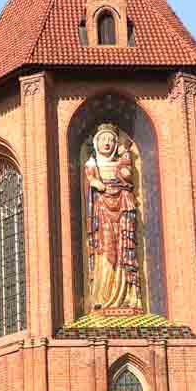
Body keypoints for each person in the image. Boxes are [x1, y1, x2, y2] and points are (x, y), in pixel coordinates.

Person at [84, 123, 142, 311]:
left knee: (122, 249)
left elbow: (127, 175)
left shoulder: (120, 162)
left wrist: (126, 160)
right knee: (106, 247)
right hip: (103, 213)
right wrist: (96, 183)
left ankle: (126, 295)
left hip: (122, 207)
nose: (107, 143)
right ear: (96, 142)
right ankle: (103, 295)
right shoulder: (92, 164)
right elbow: (91, 180)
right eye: (103, 139)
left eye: (111, 139)